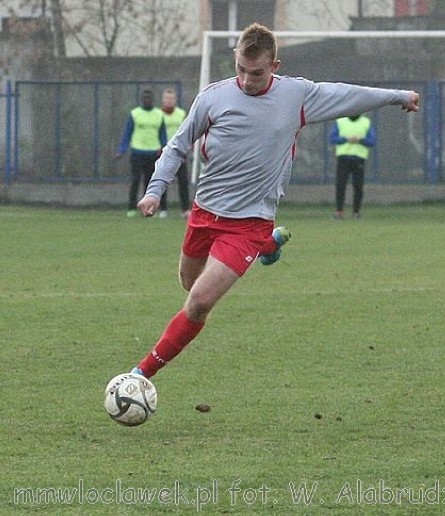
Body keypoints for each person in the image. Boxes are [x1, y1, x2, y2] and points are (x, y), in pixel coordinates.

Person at [127, 23, 419, 379]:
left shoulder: (296, 95)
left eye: (258, 73)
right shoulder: (213, 98)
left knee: (200, 301)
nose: (248, 80)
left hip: (249, 222)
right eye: (241, 70)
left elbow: (347, 95)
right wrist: (155, 189)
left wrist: (397, 95)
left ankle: (139, 375)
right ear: (235, 59)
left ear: (275, 66)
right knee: (189, 283)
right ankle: (268, 247)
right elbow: (177, 146)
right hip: (205, 213)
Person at [115, 88, 167, 218]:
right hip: (137, 152)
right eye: (144, 98)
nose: (147, 100)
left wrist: (165, 149)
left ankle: (148, 209)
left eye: (149, 98)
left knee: (150, 182)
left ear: (152, 100)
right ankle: (131, 208)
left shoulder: (159, 115)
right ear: (141, 100)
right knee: (135, 180)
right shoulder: (135, 114)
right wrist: (121, 150)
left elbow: (162, 135)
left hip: (153, 153)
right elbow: (127, 133)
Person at [329, 114, 375, 219]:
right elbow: (333, 138)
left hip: (359, 158)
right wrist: (346, 139)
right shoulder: (340, 121)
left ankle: (356, 212)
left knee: (358, 186)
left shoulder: (366, 122)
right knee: (340, 185)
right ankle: (339, 211)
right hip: (343, 158)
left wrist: (359, 140)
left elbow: (371, 141)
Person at [160, 88, 192, 218]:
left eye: (171, 98)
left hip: (179, 151)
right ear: (163, 100)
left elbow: (188, 131)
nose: (169, 101)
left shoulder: (181, 113)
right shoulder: (158, 114)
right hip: (163, 151)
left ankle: (185, 209)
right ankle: (163, 209)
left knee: (183, 181)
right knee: (162, 179)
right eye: (167, 98)